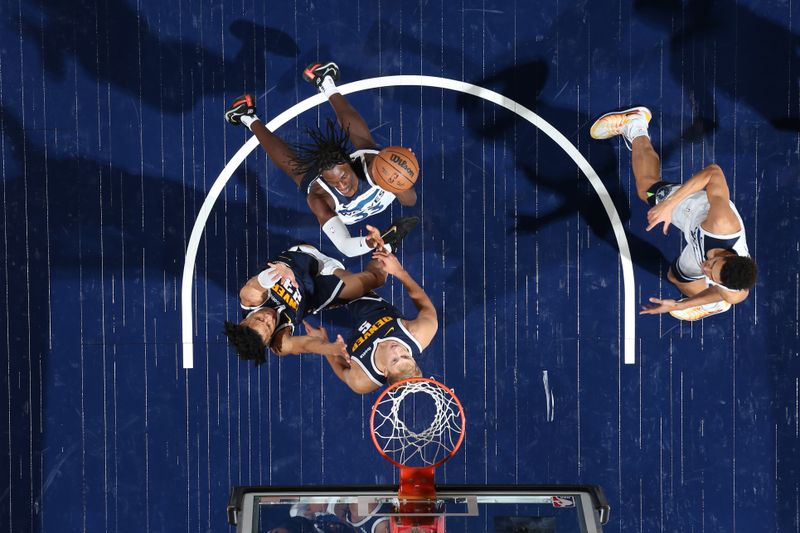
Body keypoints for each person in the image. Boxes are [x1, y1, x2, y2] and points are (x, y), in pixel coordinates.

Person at [224, 61, 419, 257]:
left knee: (366, 143)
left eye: (343, 178)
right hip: (341, 203)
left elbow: (410, 201)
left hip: (369, 167)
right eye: (334, 183)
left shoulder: (376, 167)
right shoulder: (319, 197)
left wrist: (399, 177)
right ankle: (249, 117)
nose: (341, 186)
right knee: (296, 170)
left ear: (351, 164)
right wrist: (375, 240)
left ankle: (325, 81)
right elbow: (345, 247)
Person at [590, 106, 758, 320]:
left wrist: (680, 305)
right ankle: (635, 124)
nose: (705, 269)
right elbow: (713, 173)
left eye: (711, 275)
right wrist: (669, 204)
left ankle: (716, 305)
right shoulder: (722, 224)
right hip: (691, 209)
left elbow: (717, 285)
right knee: (646, 189)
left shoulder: (733, 290)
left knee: (676, 277)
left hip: (695, 238)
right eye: (712, 265)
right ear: (728, 256)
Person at [223, 241, 390, 361]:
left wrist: (282, 271)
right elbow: (305, 346)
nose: (269, 317)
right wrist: (330, 348)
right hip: (317, 290)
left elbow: (259, 283)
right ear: (269, 340)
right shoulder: (280, 343)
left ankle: (366, 242)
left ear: (245, 320)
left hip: (306, 259)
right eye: (268, 326)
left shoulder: (250, 298)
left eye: (260, 319)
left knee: (362, 284)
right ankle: (387, 242)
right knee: (376, 279)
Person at [303, 250, 438, 394]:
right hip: (371, 307)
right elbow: (426, 307)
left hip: (353, 329)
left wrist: (323, 343)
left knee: (304, 299)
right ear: (413, 358)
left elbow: (343, 371)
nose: (397, 350)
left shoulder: (363, 380)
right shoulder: (418, 334)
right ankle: (383, 247)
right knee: (375, 274)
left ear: (385, 372)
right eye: (405, 356)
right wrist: (399, 272)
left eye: (394, 360)